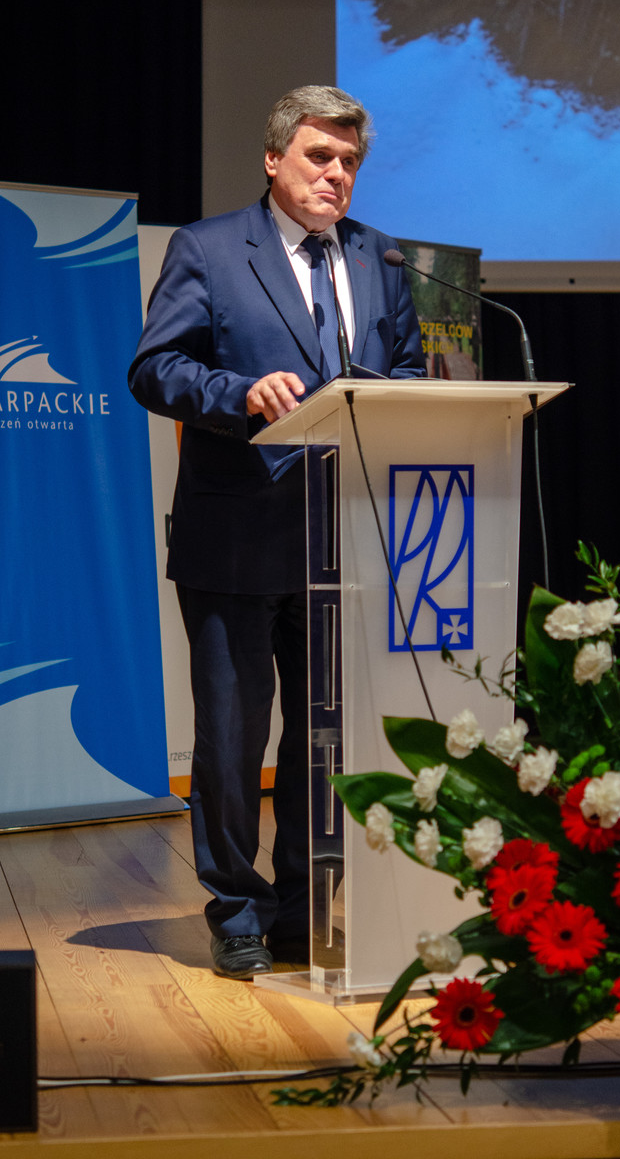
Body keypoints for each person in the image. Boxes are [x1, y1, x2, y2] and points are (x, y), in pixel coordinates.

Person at [129, 85, 424, 979]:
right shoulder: (211, 248)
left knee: (323, 739)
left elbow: (406, 366)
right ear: (273, 159)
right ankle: (235, 907)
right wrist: (238, 394)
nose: (337, 175)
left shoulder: (379, 256)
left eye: (349, 162)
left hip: (343, 540)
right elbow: (155, 367)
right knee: (231, 739)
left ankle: (302, 905)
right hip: (236, 537)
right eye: (319, 157)